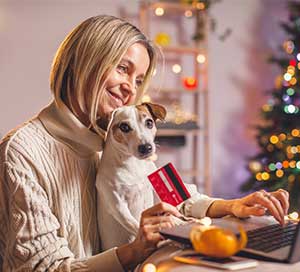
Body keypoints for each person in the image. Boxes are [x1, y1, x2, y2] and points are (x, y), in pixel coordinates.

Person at [0, 15, 289, 272]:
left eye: (139, 80)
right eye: (123, 69)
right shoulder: (23, 152)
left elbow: (176, 196)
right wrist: (133, 251)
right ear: (83, 62)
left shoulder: (118, 138)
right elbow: (43, 267)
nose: (130, 88)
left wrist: (233, 205)